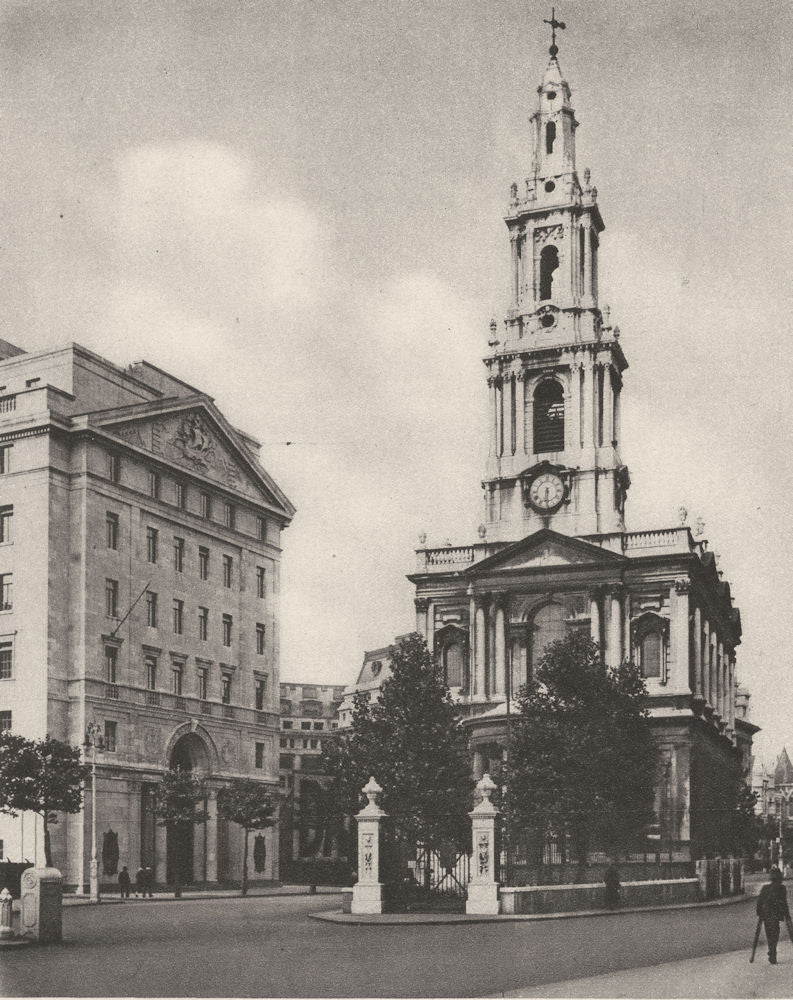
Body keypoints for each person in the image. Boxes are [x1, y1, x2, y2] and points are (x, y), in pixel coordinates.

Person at [756, 866, 791, 964]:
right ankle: (773, 952)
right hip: (776, 915)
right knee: (775, 933)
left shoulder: (765, 888)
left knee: (769, 934)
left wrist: (759, 913)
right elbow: (784, 903)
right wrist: (787, 916)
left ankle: (772, 952)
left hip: (766, 915)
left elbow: (759, 902)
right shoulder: (782, 888)